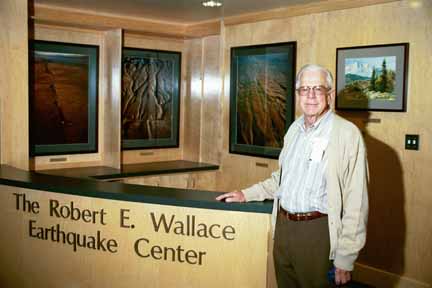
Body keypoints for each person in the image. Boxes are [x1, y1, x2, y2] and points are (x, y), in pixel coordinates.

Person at [216, 64, 368, 287]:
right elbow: (282, 179)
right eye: (305, 89)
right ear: (297, 95)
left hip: (318, 233)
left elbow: (357, 200)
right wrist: (245, 194)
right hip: (284, 228)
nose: (311, 96)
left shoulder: (346, 134)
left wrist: (346, 257)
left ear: (330, 94)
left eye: (318, 88)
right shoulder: (294, 129)